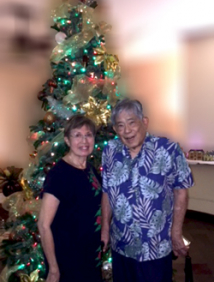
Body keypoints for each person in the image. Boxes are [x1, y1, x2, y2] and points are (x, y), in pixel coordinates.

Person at [101, 98, 194, 282]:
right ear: (115, 130)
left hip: (155, 247)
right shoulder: (110, 151)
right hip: (122, 244)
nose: (126, 131)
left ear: (144, 122)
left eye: (131, 123)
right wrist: (105, 227)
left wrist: (176, 232)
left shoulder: (168, 149)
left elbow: (181, 190)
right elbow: (107, 190)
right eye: (120, 126)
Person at [38, 115, 102, 282]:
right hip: (68, 257)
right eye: (77, 135)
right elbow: (44, 225)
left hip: (90, 254)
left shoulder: (90, 169)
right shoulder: (59, 174)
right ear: (67, 140)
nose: (84, 140)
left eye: (88, 134)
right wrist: (53, 269)